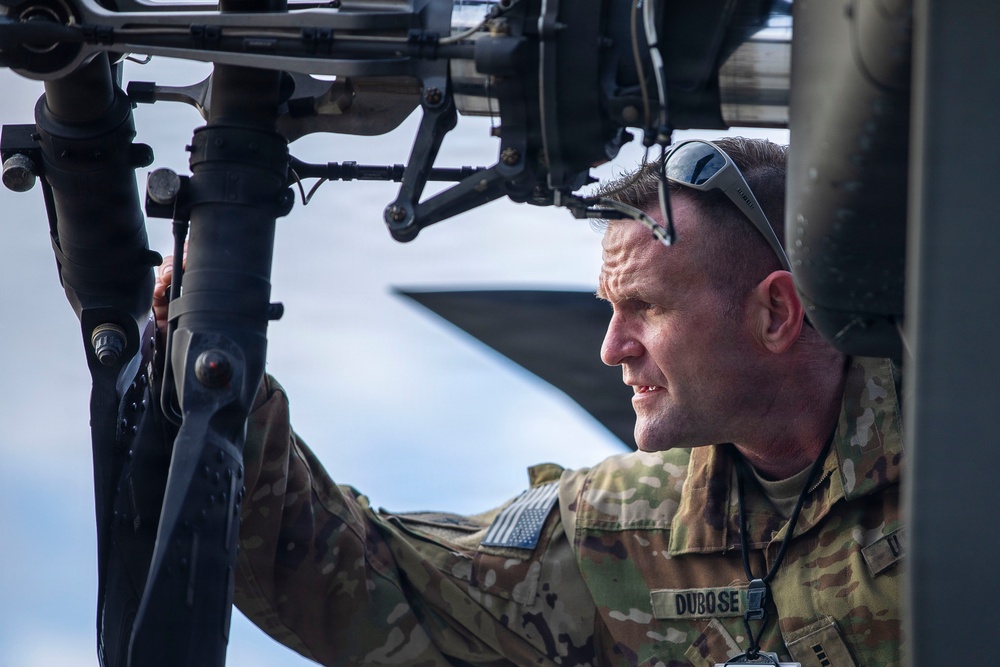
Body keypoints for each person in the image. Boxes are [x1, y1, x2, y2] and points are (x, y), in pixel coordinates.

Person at [154, 136, 904, 666]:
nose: (612, 347)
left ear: (774, 313)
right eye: (611, 307)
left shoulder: (965, 456)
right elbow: (352, 574)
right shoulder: (620, 529)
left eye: (645, 306)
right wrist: (222, 373)